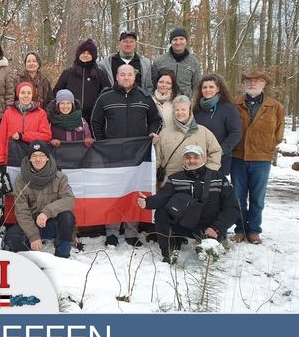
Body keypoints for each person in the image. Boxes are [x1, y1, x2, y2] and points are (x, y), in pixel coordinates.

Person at [91, 64, 162, 247]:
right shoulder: (105, 97)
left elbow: (156, 119)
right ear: (116, 77)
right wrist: (102, 145)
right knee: (114, 191)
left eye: (130, 74)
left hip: (138, 155)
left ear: (134, 77)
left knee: (134, 191)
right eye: (122, 74)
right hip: (113, 155)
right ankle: (112, 232)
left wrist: (153, 132)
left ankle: (131, 231)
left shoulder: (145, 97)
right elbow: (95, 121)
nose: (126, 77)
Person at [138, 145, 239, 264]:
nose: (191, 161)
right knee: (161, 213)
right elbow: (163, 197)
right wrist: (147, 202)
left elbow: (232, 207)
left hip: (210, 228)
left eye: (196, 157)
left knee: (210, 260)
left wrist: (216, 227)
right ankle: (169, 252)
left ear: (204, 159)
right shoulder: (175, 178)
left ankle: (210, 244)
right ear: (183, 159)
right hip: (185, 224)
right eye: (188, 157)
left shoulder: (219, 178)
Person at [231, 69, 285, 245]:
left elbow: (278, 134)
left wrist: (266, 148)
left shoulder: (275, 107)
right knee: (238, 196)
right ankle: (240, 229)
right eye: (249, 81)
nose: (252, 84)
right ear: (244, 83)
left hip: (261, 159)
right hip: (238, 158)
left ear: (264, 84)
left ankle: (253, 230)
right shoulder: (234, 104)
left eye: (257, 81)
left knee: (257, 197)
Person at [4, 140, 76, 258]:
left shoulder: (60, 177)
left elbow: (69, 200)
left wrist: (47, 212)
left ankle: (62, 256)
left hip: (52, 222)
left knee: (67, 217)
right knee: (12, 238)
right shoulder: (21, 180)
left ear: (47, 158)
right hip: (31, 223)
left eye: (42, 155)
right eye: (34, 156)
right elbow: (21, 211)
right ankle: (31, 260)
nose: (38, 159)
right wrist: (33, 235)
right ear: (29, 159)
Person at [155, 95, 222, 186]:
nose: (180, 112)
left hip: (197, 182)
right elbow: (156, 159)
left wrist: (208, 172)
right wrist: (153, 182)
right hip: (171, 182)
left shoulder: (203, 131)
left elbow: (216, 151)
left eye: (183, 109)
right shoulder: (164, 133)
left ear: (189, 111)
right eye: (177, 110)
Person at [192, 73, 242, 176]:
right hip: (198, 158)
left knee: (215, 190)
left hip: (221, 159)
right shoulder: (196, 109)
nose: (207, 90)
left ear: (218, 89)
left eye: (211, 87)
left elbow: (236, 133)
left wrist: (219, 151)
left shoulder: (228, 108)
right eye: (204, 87)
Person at [53, 39, 110, 123]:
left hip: (93, 117)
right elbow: (56, 92)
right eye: (83, 53)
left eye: (89, 53)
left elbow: (107, 93)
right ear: (78, 54)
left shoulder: (100, 74)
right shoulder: (68, 72)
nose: (85, 55)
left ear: (93, 56)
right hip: (70, 116)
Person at [0, 82, 52, 168]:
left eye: (29, 93)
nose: (26, 96)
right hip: (12, 158)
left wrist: (23, 136)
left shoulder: (41, 113)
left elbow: (46, 136)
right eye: (22, 93)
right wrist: (1, 161)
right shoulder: (8, 113)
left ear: (32, 95)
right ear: (18, 94)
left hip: (34, 160)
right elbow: (1, 138)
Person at [151, 27, 202, 98]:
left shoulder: (194, 62)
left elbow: (197, 87)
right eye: (175, 39)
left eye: (181, 39)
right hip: (163, 103)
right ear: (171, 42)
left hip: (185, 104)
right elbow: (153, 84)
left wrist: (193, 102)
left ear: (186, 41)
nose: (178, 42)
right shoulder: (159, 61)